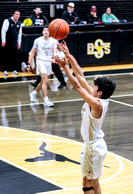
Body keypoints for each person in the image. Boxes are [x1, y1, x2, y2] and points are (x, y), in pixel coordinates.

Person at [53, 41, 116, 194]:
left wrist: (64, 68)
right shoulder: (98, 99)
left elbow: (77, 86)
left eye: (95, 87)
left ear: (99, 92)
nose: (92, 87)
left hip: (93, 147)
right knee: (91, 181)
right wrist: (68, 55)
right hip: (94, 146)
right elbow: (80, 75)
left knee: (88, 181)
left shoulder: (97, 104)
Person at [27, 25, 56, 107]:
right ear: (42, 32)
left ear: (50, 32)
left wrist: (54, 58)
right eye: (44, 30)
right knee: (44, 79)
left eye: (47, 30)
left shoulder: (53, 41)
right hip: (40, 61)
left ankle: (34, 93)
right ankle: (46, 100)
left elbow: (55, 51)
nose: (46, 31)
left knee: (44, 81)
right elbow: (32, 52)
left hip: (48, 61)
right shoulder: (37, 40)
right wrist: (29, 63)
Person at [1, 10, 22, 76]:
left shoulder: (19, 23)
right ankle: (5, 70)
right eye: (16, 14)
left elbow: (19, 34)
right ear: (13, 15)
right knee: (6, 56)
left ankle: (13, 69)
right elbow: (3, 31)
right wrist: (3, 40)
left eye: (18, 15)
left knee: (14, 57)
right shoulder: (7, 21)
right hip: (7, 42)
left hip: (14, 43)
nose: (17, 16)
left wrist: (19, 43)